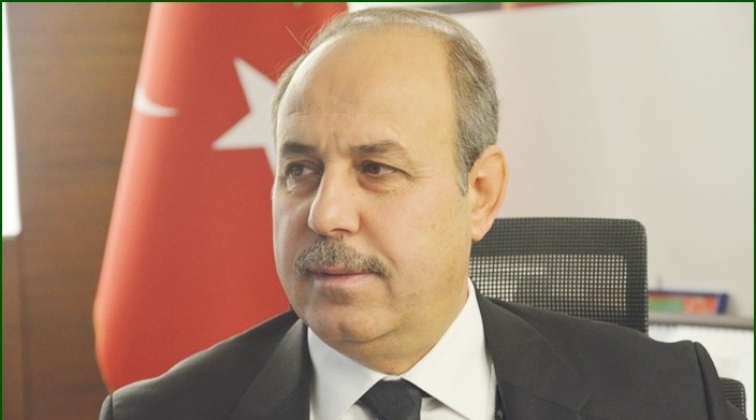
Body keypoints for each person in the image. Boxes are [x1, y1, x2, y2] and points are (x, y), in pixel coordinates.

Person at [99, 6, 745, 420]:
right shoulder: (161, 415)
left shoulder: (667, 398)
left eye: (376, 168)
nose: (326, 214)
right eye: (301, 170)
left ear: (481, 193)